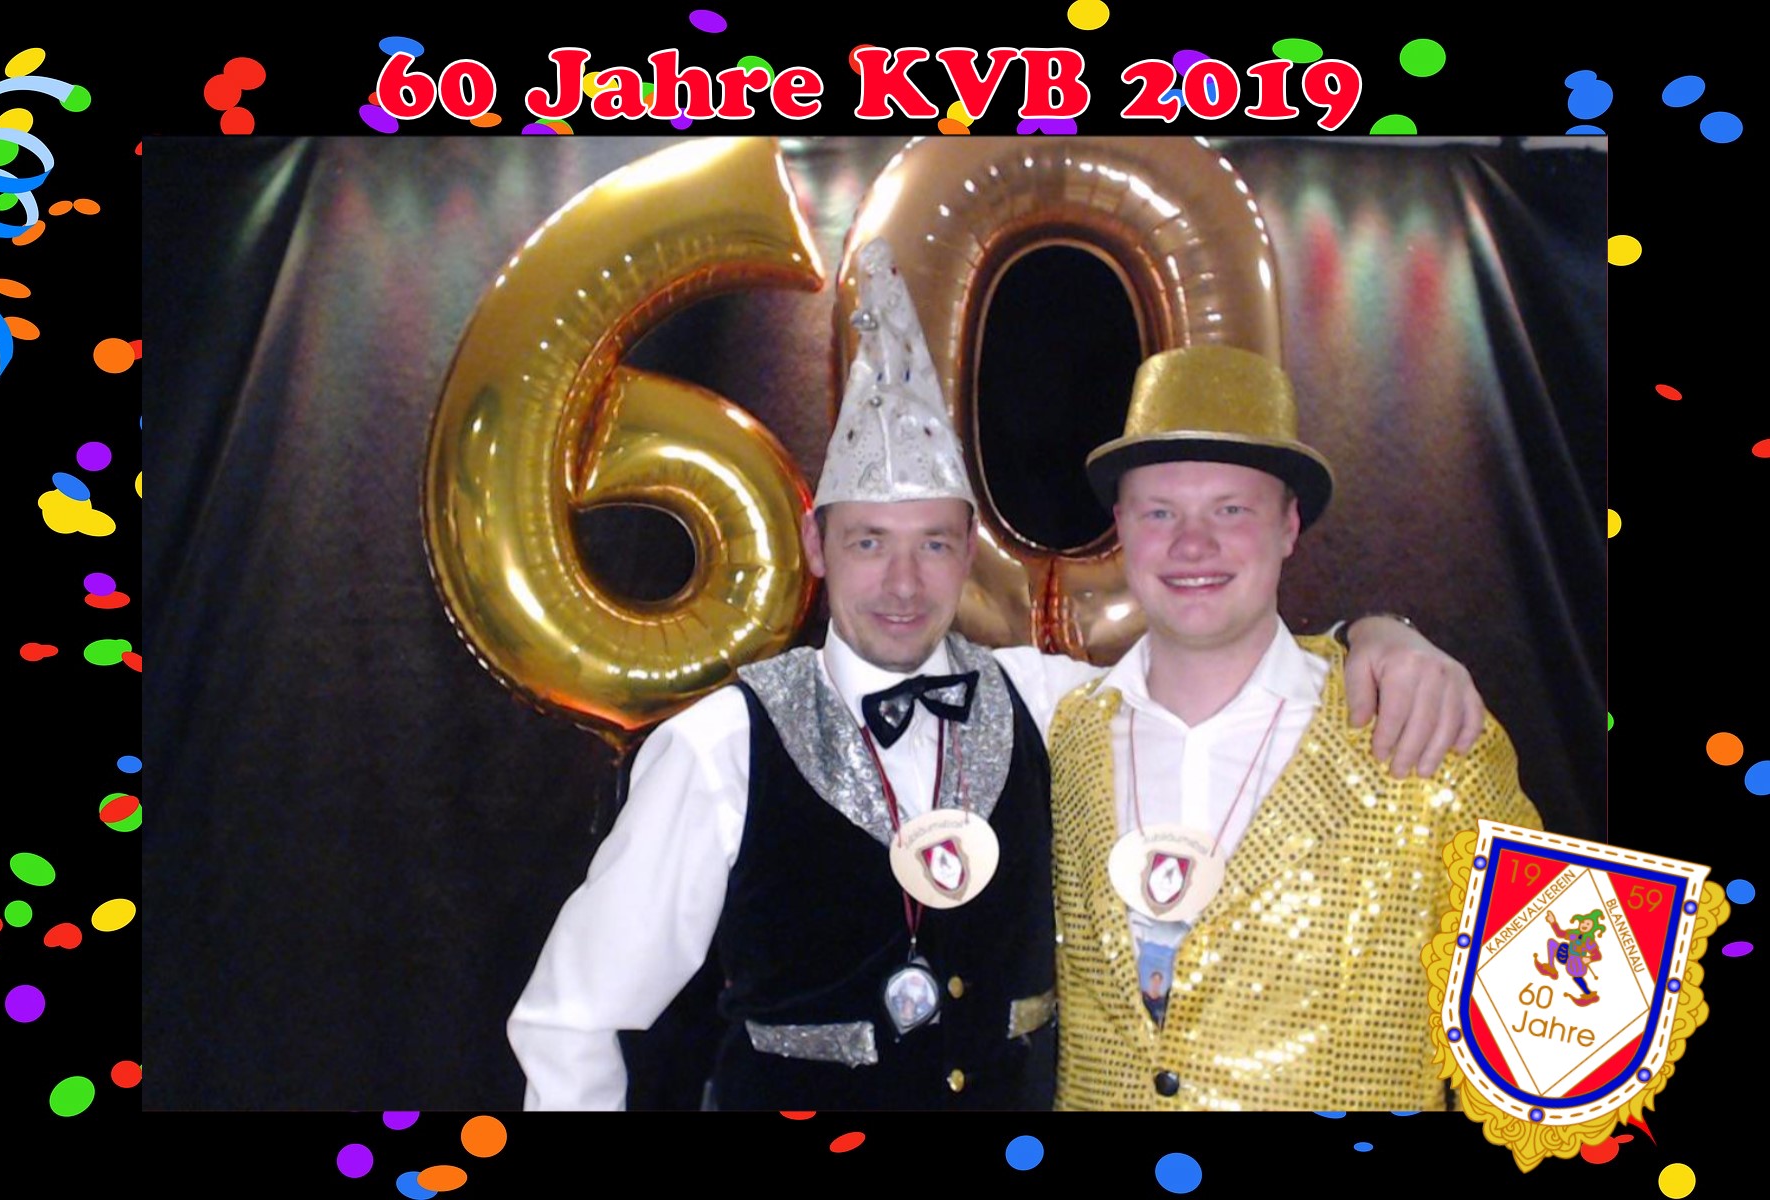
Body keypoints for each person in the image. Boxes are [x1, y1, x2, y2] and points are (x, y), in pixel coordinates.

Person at [507, 244, 1488, 1110]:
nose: (903, 584)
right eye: (869, 542)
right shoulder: (722, 742)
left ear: (970, 546)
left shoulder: (1053, 702)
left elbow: (1208, 656)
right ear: (814, 545)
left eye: (934, 543)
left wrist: (1376, 636)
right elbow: (574, 1017)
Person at [1048, 344, 1544, 1111]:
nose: (1192, 544)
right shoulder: (1058, 730)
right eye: (1160, 512)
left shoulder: (1428, 731)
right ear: (1121, 528)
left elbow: (1568, 1045)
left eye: (1231, 510)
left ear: (1288, 526)